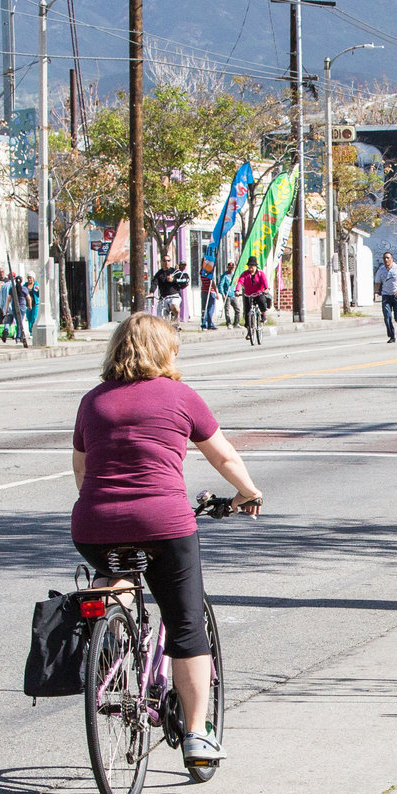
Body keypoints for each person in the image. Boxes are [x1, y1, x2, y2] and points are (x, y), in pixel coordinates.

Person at [71, 313, 263, 768]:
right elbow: (224, 455)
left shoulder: (92, 402)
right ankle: (197, 736)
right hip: (165, 525)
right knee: (185, 625)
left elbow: (81, 472)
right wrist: (249, 493)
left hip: (94, 527)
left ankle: (109, 644)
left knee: (115, 577)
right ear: (165, 351)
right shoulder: (180, 396)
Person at [374, 252, 397, 342]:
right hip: (386, 296)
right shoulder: (381, 270)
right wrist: (376, 292)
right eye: (384, 258)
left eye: (388, 258)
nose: (386, 260)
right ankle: (392, 336)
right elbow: (377, 282)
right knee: (387, 317)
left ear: (392, 259)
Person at [237, 261, 271, 339]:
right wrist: (237, 290)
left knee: (262, 302)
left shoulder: (260, 274)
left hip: (259, 293)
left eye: (252, 266)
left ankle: (263, 315)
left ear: (256, 266)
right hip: (248, 294)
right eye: (249, 266)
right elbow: (240, 282)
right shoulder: (245, 274)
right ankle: (249, 331)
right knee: (247, 312)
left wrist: (266, 289)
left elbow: (265, 281)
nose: (251, 268)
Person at [196, 261, 217, 331]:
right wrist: (216, 292)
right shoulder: (208, 270)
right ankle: (209, 324)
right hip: (210, 291)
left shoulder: (202, 270)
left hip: (204, 291)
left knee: (204, 308)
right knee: (210, 308)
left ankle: (204, 323)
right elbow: (212, 282)